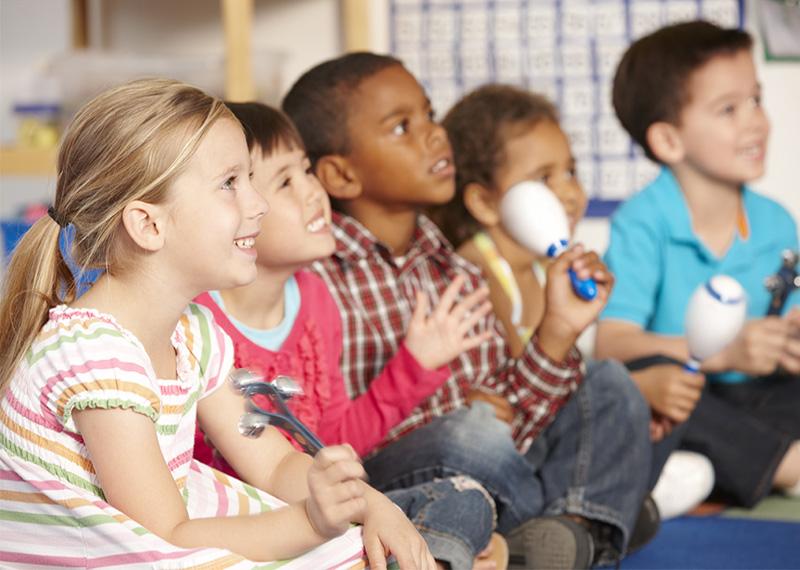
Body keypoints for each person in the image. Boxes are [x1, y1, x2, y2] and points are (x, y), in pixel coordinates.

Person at [0, 78, 435, 569]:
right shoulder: (94, 354)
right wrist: (312, 522)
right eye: (231, 183)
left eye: (250, 179)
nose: (259, 204)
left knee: (361, 548)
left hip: (165, 532)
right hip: (122, 551)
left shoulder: (192, 334)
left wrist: (370, 503)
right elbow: (162, 538)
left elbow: (272, 464)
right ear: (148, 225)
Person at [282, 53, 654, 569]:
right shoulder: (317, 278)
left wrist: (557, 331)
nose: (435, 135)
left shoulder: (453, 270)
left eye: (430, 116)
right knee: (470, 434)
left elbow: (514, 423)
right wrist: (458, 414)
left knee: (610, 385)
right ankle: (584, 520)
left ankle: (555, 536)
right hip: (402, 485)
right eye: (402, 127)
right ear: (342, 175)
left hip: (493, 469)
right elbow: (329, 441)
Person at [193, 101, 505, 570]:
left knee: (465, 497)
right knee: (470, 461)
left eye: (305, 171)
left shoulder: (316, 299)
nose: (313, 191)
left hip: (319, 503)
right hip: (254, 527)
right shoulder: (199, 321)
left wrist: (414, 367)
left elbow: (333, 440)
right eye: (285, 181)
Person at [430, 83, 711, 521]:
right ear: (485, 202)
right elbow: (525, 394)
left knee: (650, 387)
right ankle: (604, 512)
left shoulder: (544, 268)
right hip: (508, 450)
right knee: (619, 383)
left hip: (544, 435)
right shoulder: (477, 272)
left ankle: (611, 506)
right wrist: (633, 391)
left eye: (570, 171)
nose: (568, 191)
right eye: (544, 178)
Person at [595, 20, 800, 508]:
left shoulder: (776, 222)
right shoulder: (643, 222)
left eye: (756, 99)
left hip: (760, 402)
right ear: (668, 141)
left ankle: (715, 473)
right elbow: (611, 344)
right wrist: (725, 353)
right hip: (690, 399)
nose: (756, 121)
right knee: (642, 379)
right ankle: (782, 465)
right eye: (729, 109)